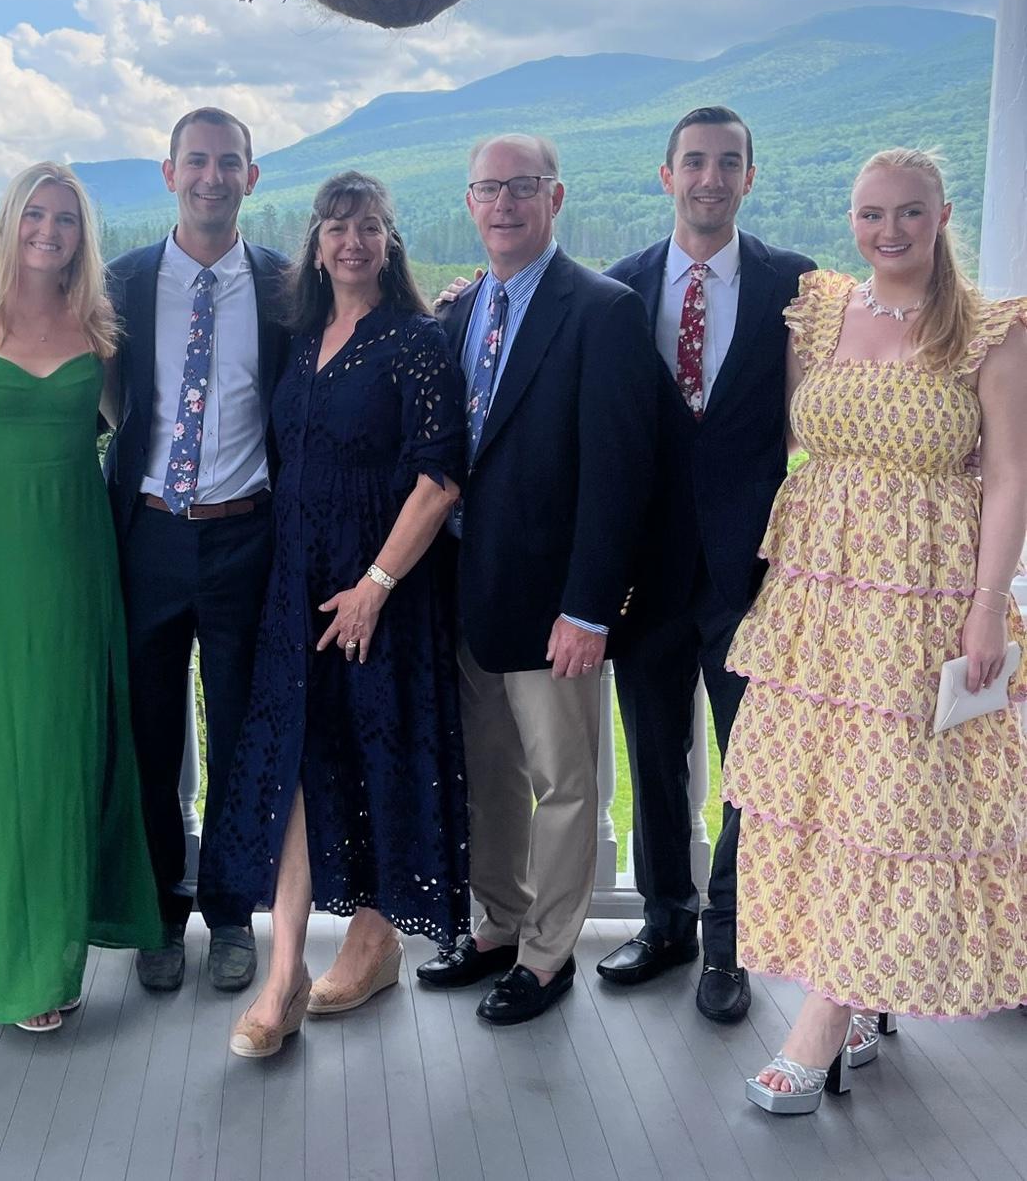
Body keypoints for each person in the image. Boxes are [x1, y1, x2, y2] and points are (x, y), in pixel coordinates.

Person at [727, 148, 1027, 1113]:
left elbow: (1010, 476)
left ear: (942, 217)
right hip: (819, 601)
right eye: (870, 214)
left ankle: (820, 1023)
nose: (888, 230)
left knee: (889, 807)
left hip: (923, 602)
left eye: (908, 212)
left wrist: (989, 606)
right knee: (822, 800)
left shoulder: (992, 328)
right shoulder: (818, 313)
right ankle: (858, 988)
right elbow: (786, 438)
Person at [203, 172, 469, 1057]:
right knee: (294, 764)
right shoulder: (300, 339)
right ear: (316, 245)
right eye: (336, 227)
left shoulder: (417, 342)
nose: (352, 242)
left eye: (369, 227)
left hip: (383, 590)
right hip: (297, 586)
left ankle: (374, 938)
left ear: (390, 243)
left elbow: (440, 477)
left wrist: (376, 586)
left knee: (377, 755)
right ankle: (284, 974)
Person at [415, 134, 658, 1024]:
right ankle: (500, 925)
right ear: (470, 203)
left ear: (556, 198)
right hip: (463, 595)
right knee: (487, 775)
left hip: (553, 604)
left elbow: (619, 475)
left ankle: (549, 955)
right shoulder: (459, 311)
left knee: (562, 782)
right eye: (489, 189)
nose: (505, 204)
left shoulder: (602, 310)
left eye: (523, 187)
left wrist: (588, 609)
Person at [596, 107, 815, 1023]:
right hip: (644, 573)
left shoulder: (799, 285)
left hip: (752, 574)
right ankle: (666, 922)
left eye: (728, 163)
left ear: (749, 177)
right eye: (694, 162)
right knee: (653, 758)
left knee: (749, 770)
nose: (710, 178)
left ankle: (729, 940)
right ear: (667, 175)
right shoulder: (618, 288)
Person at [0, 163, 162, 1031]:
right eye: (35, 213)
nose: (48, 231)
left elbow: (135, 432)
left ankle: (57, 952)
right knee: (0, 753)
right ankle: (0, 958)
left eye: (66, 219)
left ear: (82, 236)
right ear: (9, 220)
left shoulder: (97, 327)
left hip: (76, 557)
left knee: (66, 747)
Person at [103, 107, 288, 994]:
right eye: (197, 161)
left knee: (241, 735)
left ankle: (231, 912)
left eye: (229, 162)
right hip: (148, 535)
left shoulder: (287, 285)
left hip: (247, 534)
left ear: (252, 175)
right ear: (169, 171)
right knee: (149, 733)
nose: (212, 177)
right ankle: (159, 912)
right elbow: (108, 393)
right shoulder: (123, 282)